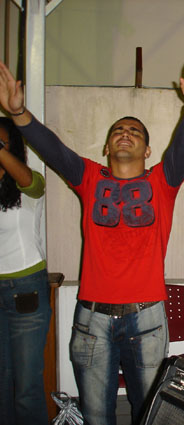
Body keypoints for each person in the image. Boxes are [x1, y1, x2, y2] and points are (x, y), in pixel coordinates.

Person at [0, 52, 184, 425]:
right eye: (117, 131)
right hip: (92, 321)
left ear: (148, 151)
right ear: (106, 148)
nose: (125, 133)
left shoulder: (162, 181)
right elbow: (53, 149)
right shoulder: (89, 177)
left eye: (135, 132)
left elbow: (183, 148)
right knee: (97, 416)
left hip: (146, 318)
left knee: (149, 415)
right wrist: (19, 114)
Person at [0, 117, 50, 424]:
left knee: (26, 387)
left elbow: (29, 182)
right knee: (2, 382)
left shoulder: (29, 183)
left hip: (25, 288)